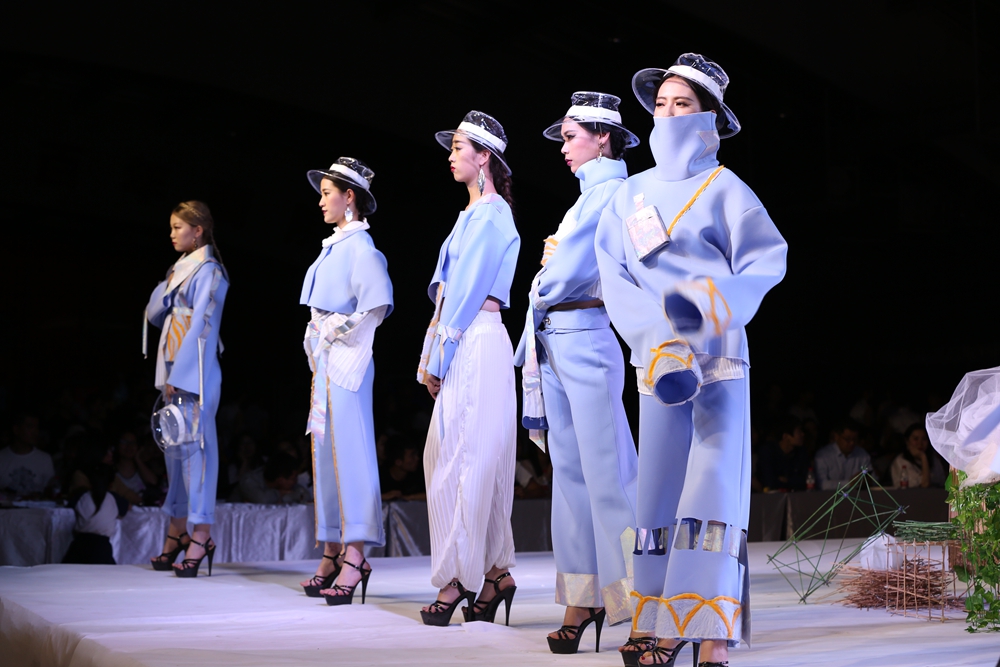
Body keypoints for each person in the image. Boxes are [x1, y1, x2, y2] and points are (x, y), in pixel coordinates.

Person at [594, 53, 787, 666]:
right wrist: (655, 333)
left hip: (717, 354)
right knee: (658, 488)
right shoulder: (629, 194)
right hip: (657, 358)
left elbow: (766, 261)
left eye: (683, 104)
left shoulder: (726, 187)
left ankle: (708, 630)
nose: (669, 114)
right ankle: (656, 614)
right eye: (661, 105)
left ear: (709, 119)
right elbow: (613, 275)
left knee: (711, 488)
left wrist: (703, 308)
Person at [512, 90, 640, 652]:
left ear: (602, 137)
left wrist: (544, 277)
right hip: (555, 336)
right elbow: (556, 269)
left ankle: (640, 598)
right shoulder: (585, 199)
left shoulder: (612, 193)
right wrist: (548, 276)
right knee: (569, 476)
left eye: (570, 137)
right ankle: (583, 596)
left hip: (585, 333)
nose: (563, 148)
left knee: (610, 473)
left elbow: (563, 271)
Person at [417, 110, 520, 626]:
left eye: (459, 147)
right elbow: (449, 294)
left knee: (461, 459)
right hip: (467, 336)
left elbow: (467, 291)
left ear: (484, 157)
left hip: (475, 338)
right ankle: (496, 572)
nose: (451, 155)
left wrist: (439, 354)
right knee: (471, 457)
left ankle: (458, 578)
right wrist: (432, 350)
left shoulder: (491, 214)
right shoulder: (474, 213)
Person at [299, 157, 393, 605]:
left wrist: (337, 331)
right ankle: (332, 548)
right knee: (324, 451)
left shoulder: (362, 248)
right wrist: (320, 334)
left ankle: (356, 553)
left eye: (327, 193)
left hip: (349, 358)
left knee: (352, 453)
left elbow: (375, 306)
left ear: (348, 196)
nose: (321, 201)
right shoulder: (336, 245)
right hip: (327, 356)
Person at [145, 200, 229, 577]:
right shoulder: (180, 269)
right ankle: (177, 529)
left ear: (198, 230)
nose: (172, 233)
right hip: (174, 368)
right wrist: (171, 280)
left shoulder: (210, 271)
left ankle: (201, 534)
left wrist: (181, 374)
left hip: (195, 371)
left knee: (198, 452)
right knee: (175, 453)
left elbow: (202, 326)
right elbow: (153, 313)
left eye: (178, 227)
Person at [63, 434, 129, 564]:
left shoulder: (81, 495)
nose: (111, 454)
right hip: (101, 547)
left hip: (79, 546)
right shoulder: (113, 498)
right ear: (111, 483)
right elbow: (126, 508)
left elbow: (69, 506)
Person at [0, 413, 55, 500]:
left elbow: (50, 492)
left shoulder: (45, 459)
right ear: (16, 429)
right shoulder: (2, 457)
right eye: (30, 427)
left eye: (37, 427)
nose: (35, 432)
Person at [813, 419, 870, 490]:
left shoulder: (862, 454)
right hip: (829, 496)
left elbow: (873, 479)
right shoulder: (823, 455)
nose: (852, 443)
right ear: (836, 436)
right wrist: (849, 483)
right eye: (848, 439)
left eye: (855, 439)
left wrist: (867, 481)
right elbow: (822, 484)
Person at [758, 416, 809, 491]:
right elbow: (769, 482)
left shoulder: (801, 452)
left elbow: (806, 481)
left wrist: (787, 480)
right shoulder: (768, 451)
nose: (802, 434)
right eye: (798, 432)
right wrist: (791, 482)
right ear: (785, 436)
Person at [890, 423, 945, 488]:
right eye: (916, 439)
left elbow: (942, 482)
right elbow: (924, 484)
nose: (920, 443)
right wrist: (923, 457)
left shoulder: (934, 459)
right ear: (907, 441)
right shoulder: (900, 461)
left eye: (924, 439)